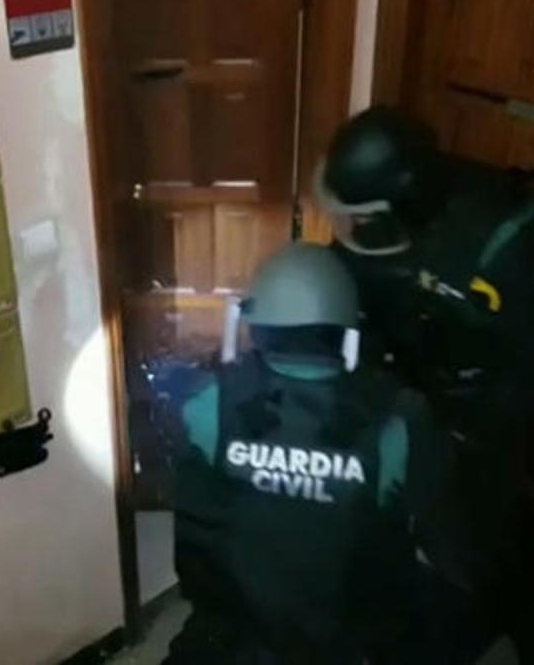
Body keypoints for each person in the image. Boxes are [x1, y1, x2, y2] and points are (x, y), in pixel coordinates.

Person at [313, 106, 534, 661]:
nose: (345, 231)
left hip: (474, 418)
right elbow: (347, 281)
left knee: (465, 558)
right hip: (402, 394)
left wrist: (445, 404)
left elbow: (532, 379)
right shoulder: (374, 224)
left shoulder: (510, 242)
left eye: (355, 220)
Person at [166, 242, 469, 664]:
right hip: (344, 642)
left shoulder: (207, 404)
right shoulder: (398, 422)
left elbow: (193, 526)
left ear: (257, 323)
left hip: (236, 635)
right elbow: (444, 542)